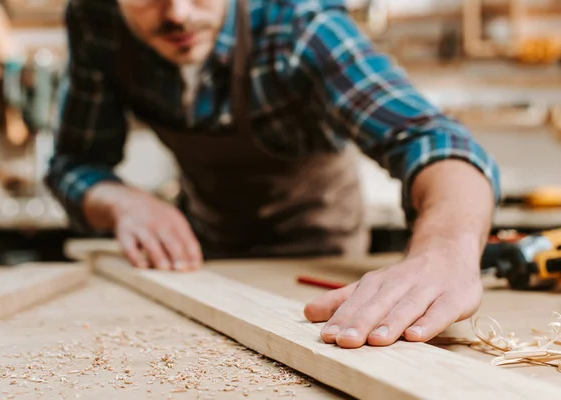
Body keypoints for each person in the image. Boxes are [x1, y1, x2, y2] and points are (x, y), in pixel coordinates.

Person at [46, 0, 501, 350]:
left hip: (316, 260)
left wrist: (446, 249)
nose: (178, 15)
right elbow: (73, 162)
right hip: (201, 261)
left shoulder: (299, 22)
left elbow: (432, 138)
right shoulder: (96, 19)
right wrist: (121, 201)